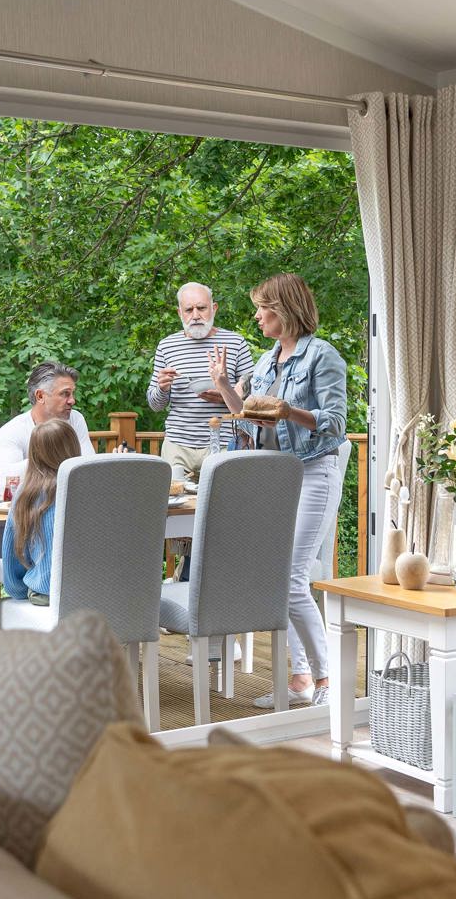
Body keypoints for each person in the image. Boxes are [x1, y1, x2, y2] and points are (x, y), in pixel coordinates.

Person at [213, 273, 347, 708]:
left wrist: (291, 412)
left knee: (290, 578)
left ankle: (329, 681)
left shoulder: (322, 356)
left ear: (283, 310)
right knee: (278, 580)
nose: (256, 315)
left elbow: (335, 424)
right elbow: (250, 417)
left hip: (313, 473)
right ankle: (300, 680)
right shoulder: (266, 361)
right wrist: (222, 387)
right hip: (277, 478)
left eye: (263, 307)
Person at [146, 282, 253, 481]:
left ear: (214, 308)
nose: (195, 315)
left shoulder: (236, 342)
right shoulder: (167, 346)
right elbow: (155, 405)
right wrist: (162, 388)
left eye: (201, 308)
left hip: (224, 443)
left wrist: (224, 396)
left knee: (223, 506)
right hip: (177, 446)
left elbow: (253, 401)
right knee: (174, 504)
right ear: (180, 312)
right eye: (189, 309)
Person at [1, 418, 80, 605]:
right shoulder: (95, 488)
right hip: (101, 593)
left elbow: (13, 563)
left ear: (34, 454)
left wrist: (21, 590)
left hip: (49, 596)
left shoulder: (27, 494)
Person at [0, 361, 94, 494]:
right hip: (30, 510)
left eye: (72, 393)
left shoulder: (75, 419)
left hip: (72, 503)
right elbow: (4, 486)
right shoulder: (12, 430)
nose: (72, 400)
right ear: (40, 396)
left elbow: (89, 468)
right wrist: (49, 458)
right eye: (65, 394)